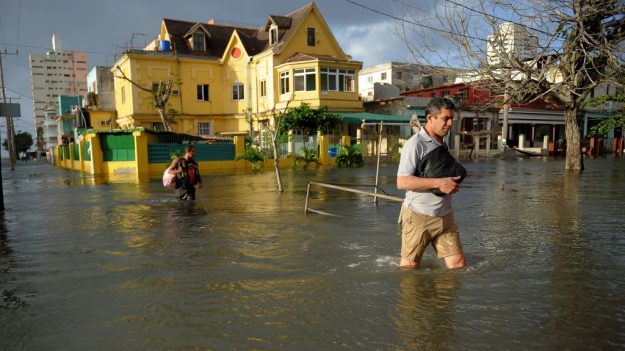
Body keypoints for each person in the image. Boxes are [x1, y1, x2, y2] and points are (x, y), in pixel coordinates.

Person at [396, 97, 466, 269]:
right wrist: (439, 183)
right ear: (430, 118)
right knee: (409, 268)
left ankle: (443, 297)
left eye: (451, 119)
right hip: (419, 216)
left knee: (458, 265)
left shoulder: (443, 140)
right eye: (445, 119)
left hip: (445, 217)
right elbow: (402, 181)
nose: (450, 123)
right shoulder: (415, 145)